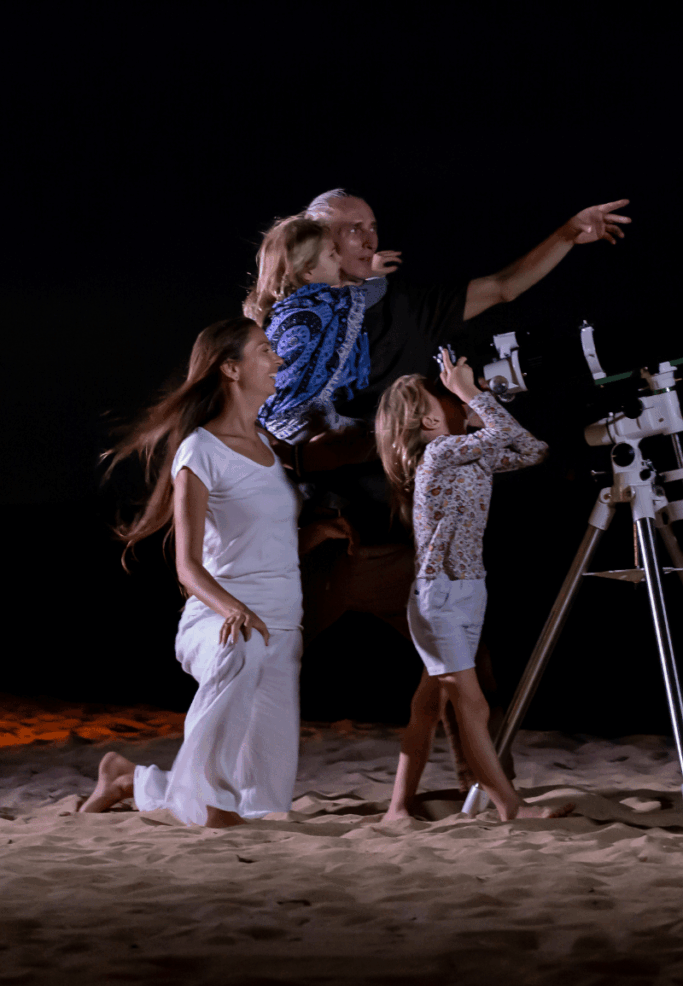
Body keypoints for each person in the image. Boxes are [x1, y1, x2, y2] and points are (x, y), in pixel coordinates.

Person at [291, 188, 632, 782]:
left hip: (407, 540)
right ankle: (192, 778)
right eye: (352, 230)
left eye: (373, 225)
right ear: (315, 244)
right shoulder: (301, 327)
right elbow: (297, 444)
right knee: (266, 656)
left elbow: (502, 287)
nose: (368, 239)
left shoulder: (410, 308)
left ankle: (477, 792)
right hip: (333, 540)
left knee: (463, 669)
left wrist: (566, 234)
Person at [79, 317, 304, 828]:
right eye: (265, 351)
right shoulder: (199, 451)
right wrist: (235, 608)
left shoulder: (270, 448)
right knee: (241, 647)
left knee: (268, 807)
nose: (277, 360)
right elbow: (188, 565)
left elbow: (264, 539)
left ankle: (128, 779)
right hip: (219, 619)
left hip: (284, 625)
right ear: (230, 368)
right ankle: (207, 801)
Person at [375, 350, 574, 821]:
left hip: (467, 591)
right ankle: (510, 807)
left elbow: (531, 449)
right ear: (426, 419)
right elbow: (505, 434)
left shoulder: (471, 457)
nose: (453, 399)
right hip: (440, 596)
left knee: (426, 707)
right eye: (441, 397)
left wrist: (472, 398)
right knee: (473, 704)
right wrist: (470, 392)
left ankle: (398, 809)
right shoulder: (440, 453)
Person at [243, 214, 398, 444]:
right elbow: (371, 293)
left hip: (269, 420)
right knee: (379, 436)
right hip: (307, 418)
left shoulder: (275, 311)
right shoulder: (325, 303)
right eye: (332, 254)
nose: (339, 259)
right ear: (307, 271)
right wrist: (373, 272)